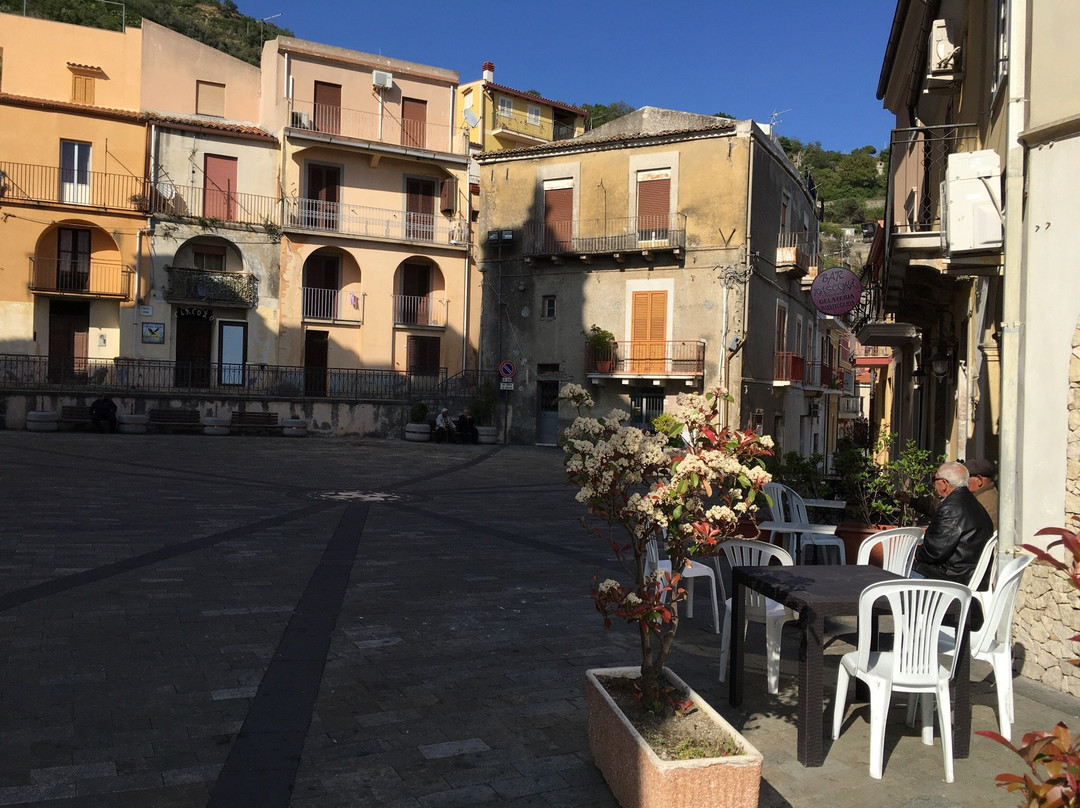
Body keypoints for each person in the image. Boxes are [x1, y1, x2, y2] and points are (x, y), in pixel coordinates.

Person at [910, 461, 995, 586]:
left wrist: (915, 552)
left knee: (899, 564)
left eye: (935, 479)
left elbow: (934, 552)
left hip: (953, 576)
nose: (934, 484)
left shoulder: (950, 508)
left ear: (944, 483)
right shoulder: (973, 503)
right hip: (971, 572)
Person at [964, 458, 999, 532]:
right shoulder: (992, 493)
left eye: (965, 479)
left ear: (979, 480)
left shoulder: (982, 504)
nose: (962, 482)